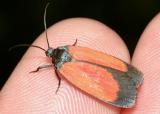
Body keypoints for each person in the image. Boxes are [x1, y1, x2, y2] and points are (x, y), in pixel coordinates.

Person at [0, 15, 160, 114]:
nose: (49, 52)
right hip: (77, 59)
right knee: (98, 63)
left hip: (79, 69)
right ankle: (130, 78)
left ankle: (127, 82)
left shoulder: (60, 65)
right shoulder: (67, 50)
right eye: (48, 52)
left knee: (98, 65)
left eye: (48, 52)